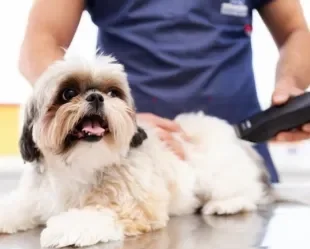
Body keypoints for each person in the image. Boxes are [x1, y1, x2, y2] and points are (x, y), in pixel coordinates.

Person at [19, 0, 310, 183]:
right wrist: (117, 123)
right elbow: (40, 41)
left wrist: (290, 85)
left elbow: (295, 31)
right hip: (133, 166)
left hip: (237, 160)